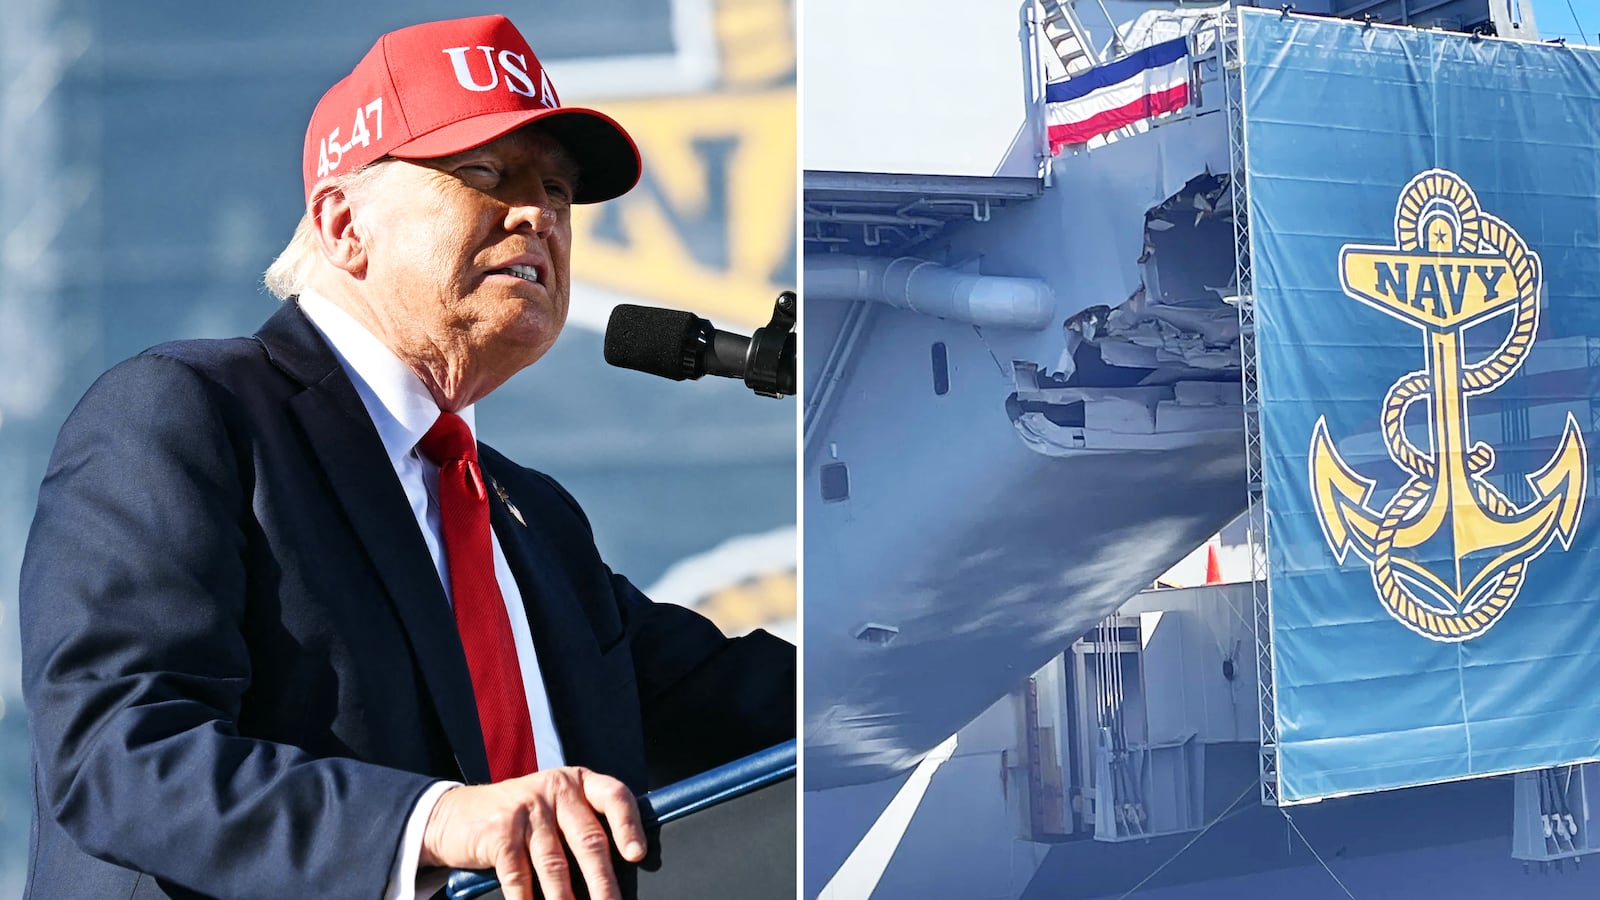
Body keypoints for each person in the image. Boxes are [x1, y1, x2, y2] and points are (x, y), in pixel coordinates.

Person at [18, 14, 794, 900]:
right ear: (344, 224)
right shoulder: (189, 417)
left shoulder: (533, 521)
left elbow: (753, 707)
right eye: (483, 172)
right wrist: (435, 819)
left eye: (556, 189)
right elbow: (120, 756)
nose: (537, 212)